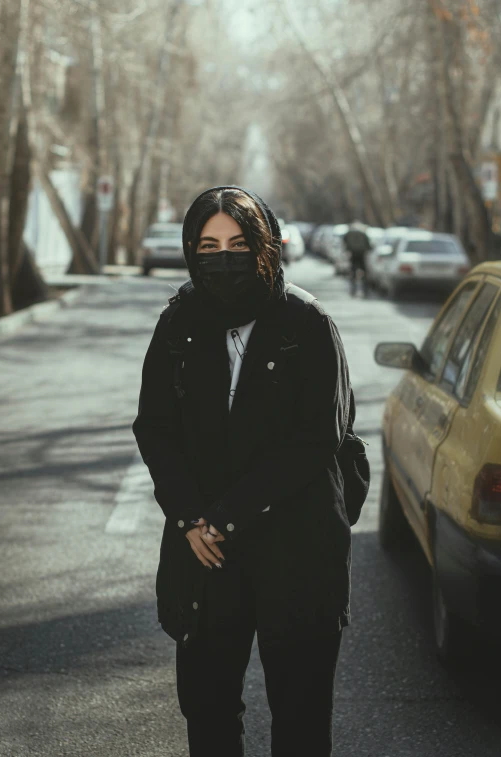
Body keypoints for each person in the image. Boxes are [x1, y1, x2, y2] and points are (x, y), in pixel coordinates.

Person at [133, 186, 357, 757]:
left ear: (265, 246)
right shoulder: (179, 322)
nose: (224, 257)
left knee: (301, 720)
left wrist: (222, 518)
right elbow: (154, 426)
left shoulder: (306, 322)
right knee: (206, 710)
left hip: (298, 548)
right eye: (208, 245)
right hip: (206, 552)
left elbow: (317, 440)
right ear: (191, 249)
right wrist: (190, 520)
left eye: (238, 243)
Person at [343, 220, 372, 297]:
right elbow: (368, 244)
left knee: (353, 271)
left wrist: (348, 248)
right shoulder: (363, 233)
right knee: (364, 272)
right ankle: (365, 289)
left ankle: (353, 289)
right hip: (361, 254)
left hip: (353, 254)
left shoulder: (349, 233)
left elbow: (344, 241)